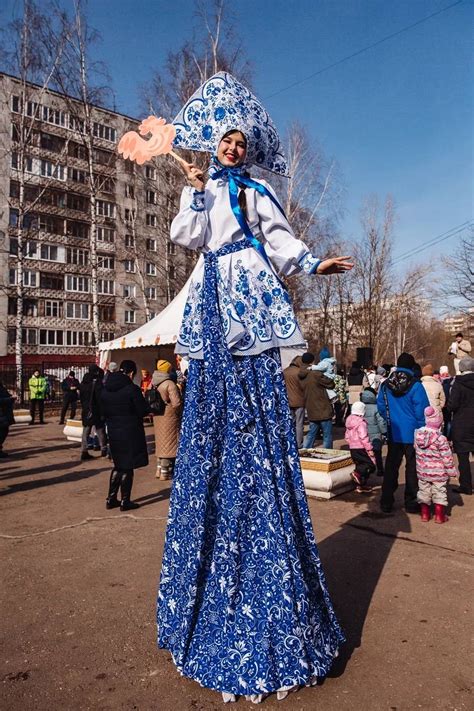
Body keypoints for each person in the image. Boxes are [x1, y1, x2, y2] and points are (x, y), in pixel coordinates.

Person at [155, 72, 351, 702]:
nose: (232, 147)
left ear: (247, 145)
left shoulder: (257, 190)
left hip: (252, 295)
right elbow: (186, 238)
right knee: (217, 390)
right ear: (214, 143)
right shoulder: (206, 188)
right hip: (214, 298)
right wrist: (193, 194)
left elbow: (282, 241)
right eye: (225, 140)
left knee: (256, 380)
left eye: (239, 140)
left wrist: (315, 263)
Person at [377, 352, 429, 514]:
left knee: (392, 467)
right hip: (413, 432)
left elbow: (381, 406)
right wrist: (422, 430)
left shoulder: (386, 384)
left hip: (395, 431)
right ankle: (411, 502)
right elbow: (423, 411)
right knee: (412, 467)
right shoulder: (416, 385)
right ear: (412, 366)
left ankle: (386, 501)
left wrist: (390, 419)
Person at [101, 360, 150, 510]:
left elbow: (103, 411)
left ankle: (111, 498)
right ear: (131, 373)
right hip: (130, 431)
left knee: (118, 465)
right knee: (128, 467)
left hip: (113, 431)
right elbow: (142, 410)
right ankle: (125, 501)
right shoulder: (132, 389)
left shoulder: (106, 389)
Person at [414, 406, 457, 523]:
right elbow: (447, 457)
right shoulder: (441, 439)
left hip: (423, 471)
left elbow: (417, 452)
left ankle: (425, 514)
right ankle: (439, 516)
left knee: (423, 491)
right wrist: (452, 472)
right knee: (439, 492)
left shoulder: (418, 436)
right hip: (438, 473)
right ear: (439, 423)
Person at [151, 360, 183, 480]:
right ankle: (165, 472)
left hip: (157, 415)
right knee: (169, 443)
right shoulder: (170, 383)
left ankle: (159, 469)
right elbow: (176, 403)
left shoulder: (154, 382)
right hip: (169, 416)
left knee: (160, 443)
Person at [447, 356, 474, 496]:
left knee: (463, 458)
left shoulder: (458, 383)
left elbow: (453, 405)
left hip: (462, 424)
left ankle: (466, 486)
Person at [299, 362, 334, 449]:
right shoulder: (316, 374)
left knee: (311, 433)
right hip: (323, 408)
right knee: (327, 434)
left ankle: (305, 451)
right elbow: (331, 384)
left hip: (311, 408)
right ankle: (327, 454)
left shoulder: (301, 376)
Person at [345, 401, 376, 493]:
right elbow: (363, 437)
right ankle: (357, 474)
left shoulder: (349, 421)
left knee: (360, 464)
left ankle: (361, 485)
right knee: (370, 465)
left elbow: (346, 436)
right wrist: (369, 449)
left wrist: (351, 442)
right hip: (361, 447)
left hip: (352, 447)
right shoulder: (361, 423)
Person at [283, 352, 313, 448]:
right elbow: (303, 386)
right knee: (299, 424)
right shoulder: (299, 373)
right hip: (299, 401)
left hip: (288, 401)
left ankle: (289, 442)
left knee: (290, 423)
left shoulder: (284, 372)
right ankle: (299, 444)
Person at [79, 365, 106, 461]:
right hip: (96, 409)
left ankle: (84, 450)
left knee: (86, 430)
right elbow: (100, 398)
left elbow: (81, 397)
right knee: (100, 429)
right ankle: (103, 449)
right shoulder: (97, 382)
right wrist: (103, 411)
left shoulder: (83, 382)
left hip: (86, 409)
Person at [360, 387, 387, 476]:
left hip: (363, 434)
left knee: (366, 454)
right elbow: (381, 422)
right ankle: (380, 470)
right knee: (377, 453)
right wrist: (384, 432)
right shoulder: (376, 408)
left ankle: (367, 470)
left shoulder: (360, 407)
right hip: (376, 436)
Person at [0, 381, 14, 457]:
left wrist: (11, 397)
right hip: (1, 413)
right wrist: (9, 399)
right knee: (3, 431)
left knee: (4, 430)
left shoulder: (1, 386)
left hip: (4, 413)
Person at [439, 365, 454, 437]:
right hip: (447, 404)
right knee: (448, 421)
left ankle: (446, 436)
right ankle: (447, 437)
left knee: (446, 422)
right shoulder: (452, 381)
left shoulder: (440, 382)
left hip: (445, 405)